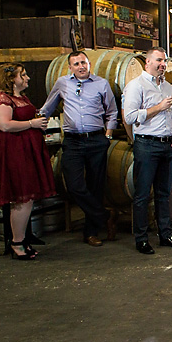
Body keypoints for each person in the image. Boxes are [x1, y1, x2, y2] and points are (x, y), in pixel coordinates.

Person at [40, 51, 118, 247]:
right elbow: (47, 109)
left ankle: (91, 232)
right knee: (74, 186)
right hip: (73, 142)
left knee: (95, 186)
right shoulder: (62, 83)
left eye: (83, 62)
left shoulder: (101, 83)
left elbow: (112, 111)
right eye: (76, 64)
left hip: (96, 140)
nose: (81, 66)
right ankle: (105, 215)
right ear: (70, 67)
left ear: (89, 63)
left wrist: (108, 135)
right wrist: (32, 124)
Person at [122, 47, 172, 255]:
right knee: (142, 194)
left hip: (168, 145)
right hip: (147, 145)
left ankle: (166, 235)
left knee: (164, 193)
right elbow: (129, 117)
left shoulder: (167, 87)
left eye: (164, 61)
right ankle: (141, 239)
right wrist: (157, 108)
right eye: (159, 60)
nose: (162, 64)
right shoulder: (136, 86)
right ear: (147, 62)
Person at [0, 63, 56, 260]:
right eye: (23, 75)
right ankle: (16, 243)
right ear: (11, 79)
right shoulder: (2, 98)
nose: (27, 78)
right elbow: (4, 125)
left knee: (28, 198)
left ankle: (22, 239)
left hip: (27, 149)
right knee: (21, 197)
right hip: (14, 150)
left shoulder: (20, 97)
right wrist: (31, 124)